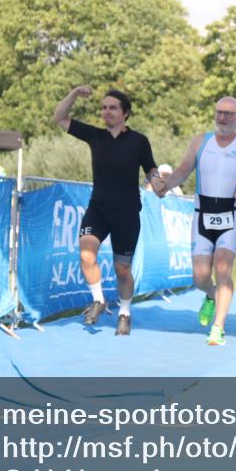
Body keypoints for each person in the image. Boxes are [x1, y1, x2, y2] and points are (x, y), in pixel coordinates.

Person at [54, 85, 161, 336]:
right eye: (103, 107)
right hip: (98, 209)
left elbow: (151, 169)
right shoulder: (95, 136)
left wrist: (157, 183)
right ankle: (99, 300)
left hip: (126, 214)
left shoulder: (139, 141)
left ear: (126, 113)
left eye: (113, 108)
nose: (107, 112)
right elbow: (59, 117)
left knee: (122, 269)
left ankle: (124, 312)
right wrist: (73, 94)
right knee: (86, 256)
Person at [157, 97, 236, 346]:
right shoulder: (200, 141)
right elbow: (183, 170)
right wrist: (167, 185)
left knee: (223, 268)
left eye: (229, 113)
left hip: (231, 214)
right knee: (200, 277)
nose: (223, 117)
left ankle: (218, 327)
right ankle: (211, 296)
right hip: (202, 214)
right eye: (219, 112)